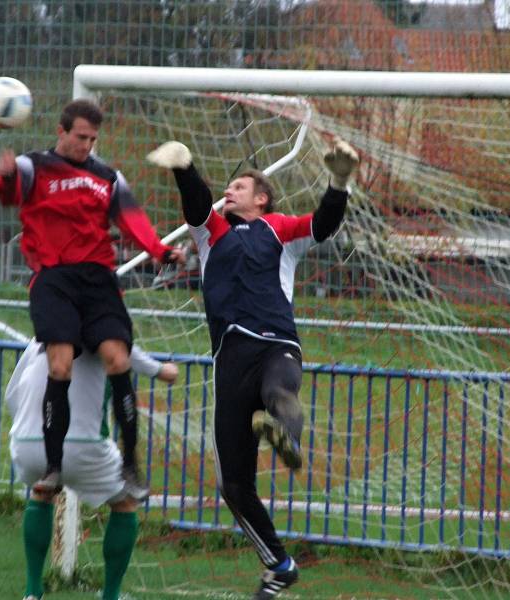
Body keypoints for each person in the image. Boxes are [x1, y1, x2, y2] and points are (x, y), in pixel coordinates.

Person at [146, 137, 359, 599]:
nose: (231, 191)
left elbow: (323, 224)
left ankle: (288, 435)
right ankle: (279, 566)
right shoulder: (212, 235)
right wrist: (185, 167)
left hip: (276, 345)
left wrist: (338, 183)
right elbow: (199, 206)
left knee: (280, 393)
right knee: (233, 484)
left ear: (262, 198)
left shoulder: (279, 229)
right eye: (228, 186)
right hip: (230, 359)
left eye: (239, 186)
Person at [0, 99, 185, 499]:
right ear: (62, 132)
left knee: (118, 359)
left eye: (93, 139)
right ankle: (52, 467)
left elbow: (133, 220)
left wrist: (160, 251)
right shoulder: (34, 166)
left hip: (99, 279)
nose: (87, 145)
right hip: (53, 280)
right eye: (81, 137)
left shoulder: (107, 176)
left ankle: (130, 465)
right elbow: (9, 196)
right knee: (59, 366)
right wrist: (7, 176)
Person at [6, 339, 179, 600]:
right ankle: (110, 595)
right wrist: (166, 369)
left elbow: (12, 395)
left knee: (42, 492)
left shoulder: (40, 338)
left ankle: (32, 592)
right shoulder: (106, 334)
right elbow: (155, 369)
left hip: (27, 442)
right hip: (81, 446)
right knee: (125, 502)